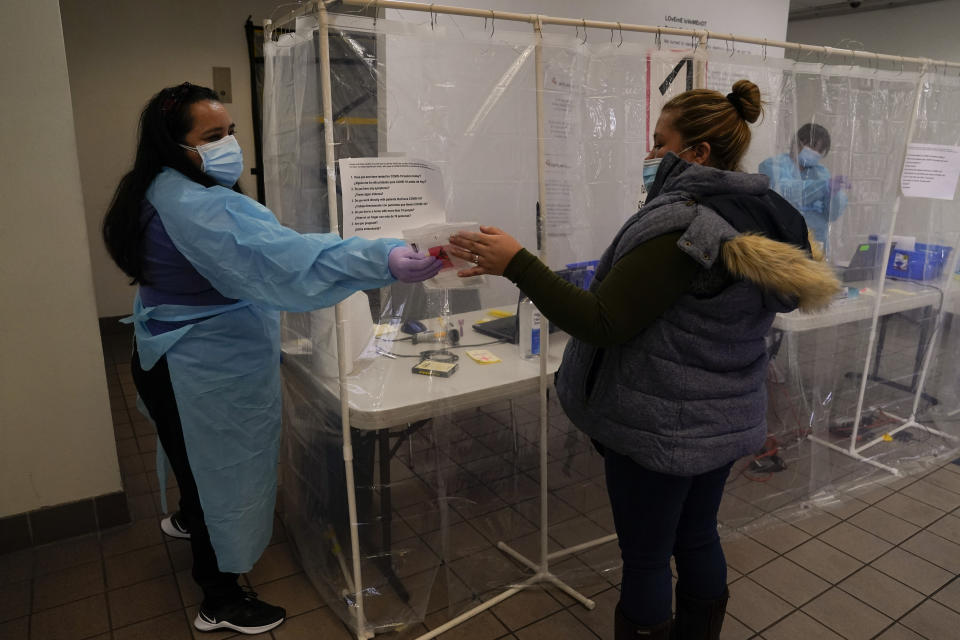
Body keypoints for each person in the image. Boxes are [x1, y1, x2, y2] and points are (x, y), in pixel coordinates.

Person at [448, 81, 839, 639]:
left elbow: (603, 323)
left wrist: (518, 264)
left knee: (648, 558)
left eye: (660, 143)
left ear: (697, 153)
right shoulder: (765, 214)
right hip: (720, 415)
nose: (651, 156)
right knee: (698, 535)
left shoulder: (684, 224)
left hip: (659, 423)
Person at [102, 82, 440, 635]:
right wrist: (381, 257)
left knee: (193, 459)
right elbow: (287, 260)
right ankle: (220, 599)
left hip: (164, 355)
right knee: (223, 472)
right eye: (212, 136)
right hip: (203, 369)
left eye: (230, 132)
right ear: (174, 144)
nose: (229, 144)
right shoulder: (198, 205)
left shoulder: (153, 188)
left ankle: (191, 516)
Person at [759, 123, 850, 254]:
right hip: (784, 241)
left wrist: (834, 195)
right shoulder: (773, 166)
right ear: (797, 142)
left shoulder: (821, 173)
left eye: (820, 151)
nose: (815, 153)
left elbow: (832, 214)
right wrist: (822, 187)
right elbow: (785, 193)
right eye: (813, 147)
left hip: (817, 243)